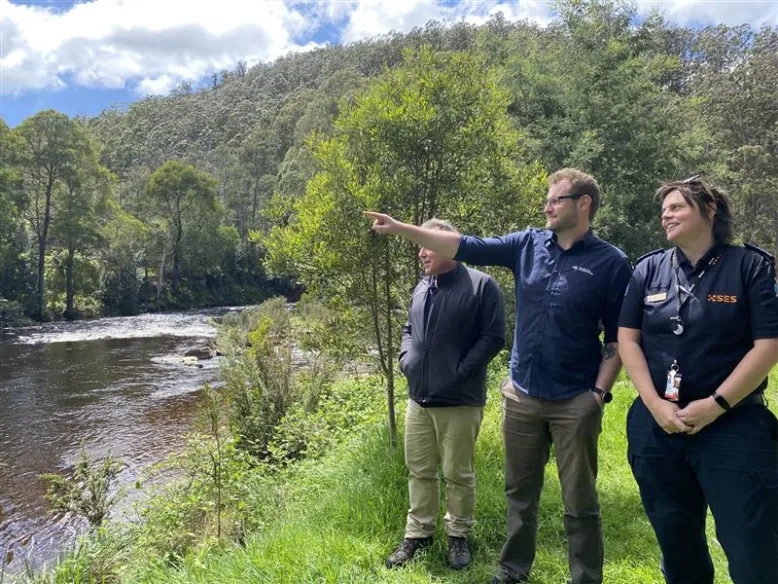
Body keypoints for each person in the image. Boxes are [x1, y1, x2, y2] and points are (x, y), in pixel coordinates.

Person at [367, 168, 632, 584]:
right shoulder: (527, 244)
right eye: (547, 198)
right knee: (519, 497)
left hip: (574, 400)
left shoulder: (611, 262)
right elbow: (464, 245)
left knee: (580, 501)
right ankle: (511, 573)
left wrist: (598, 393)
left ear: (584, 204)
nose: (546, 206)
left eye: (556, 199)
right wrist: (403, 229)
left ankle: (584, 578)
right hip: (523, 397)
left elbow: (619, 337)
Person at [618, 175, 778, 584]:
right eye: (664, 209)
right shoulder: (648, 268)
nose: (665, 215)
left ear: (709, 211)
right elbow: (627, 339)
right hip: (659, 428)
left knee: (751, 546)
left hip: (734, 426)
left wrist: (716, 405)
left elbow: (768, 345)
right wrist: (655, 405)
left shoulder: (751, 267)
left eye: (676, 207)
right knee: (677, 543)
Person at [385, 218, 506, 571]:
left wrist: (461, 371)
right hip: (418, 399)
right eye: (419, 245)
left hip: (460, 401)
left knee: (458, 473)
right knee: (419, 470)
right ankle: (418, 534)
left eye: (427, 245)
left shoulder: (481, 286)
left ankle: (458, 537)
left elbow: (494, 337)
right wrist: (406, 359)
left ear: (448, 245)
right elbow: (410, 328)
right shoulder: (422, 286)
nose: (422, 251)